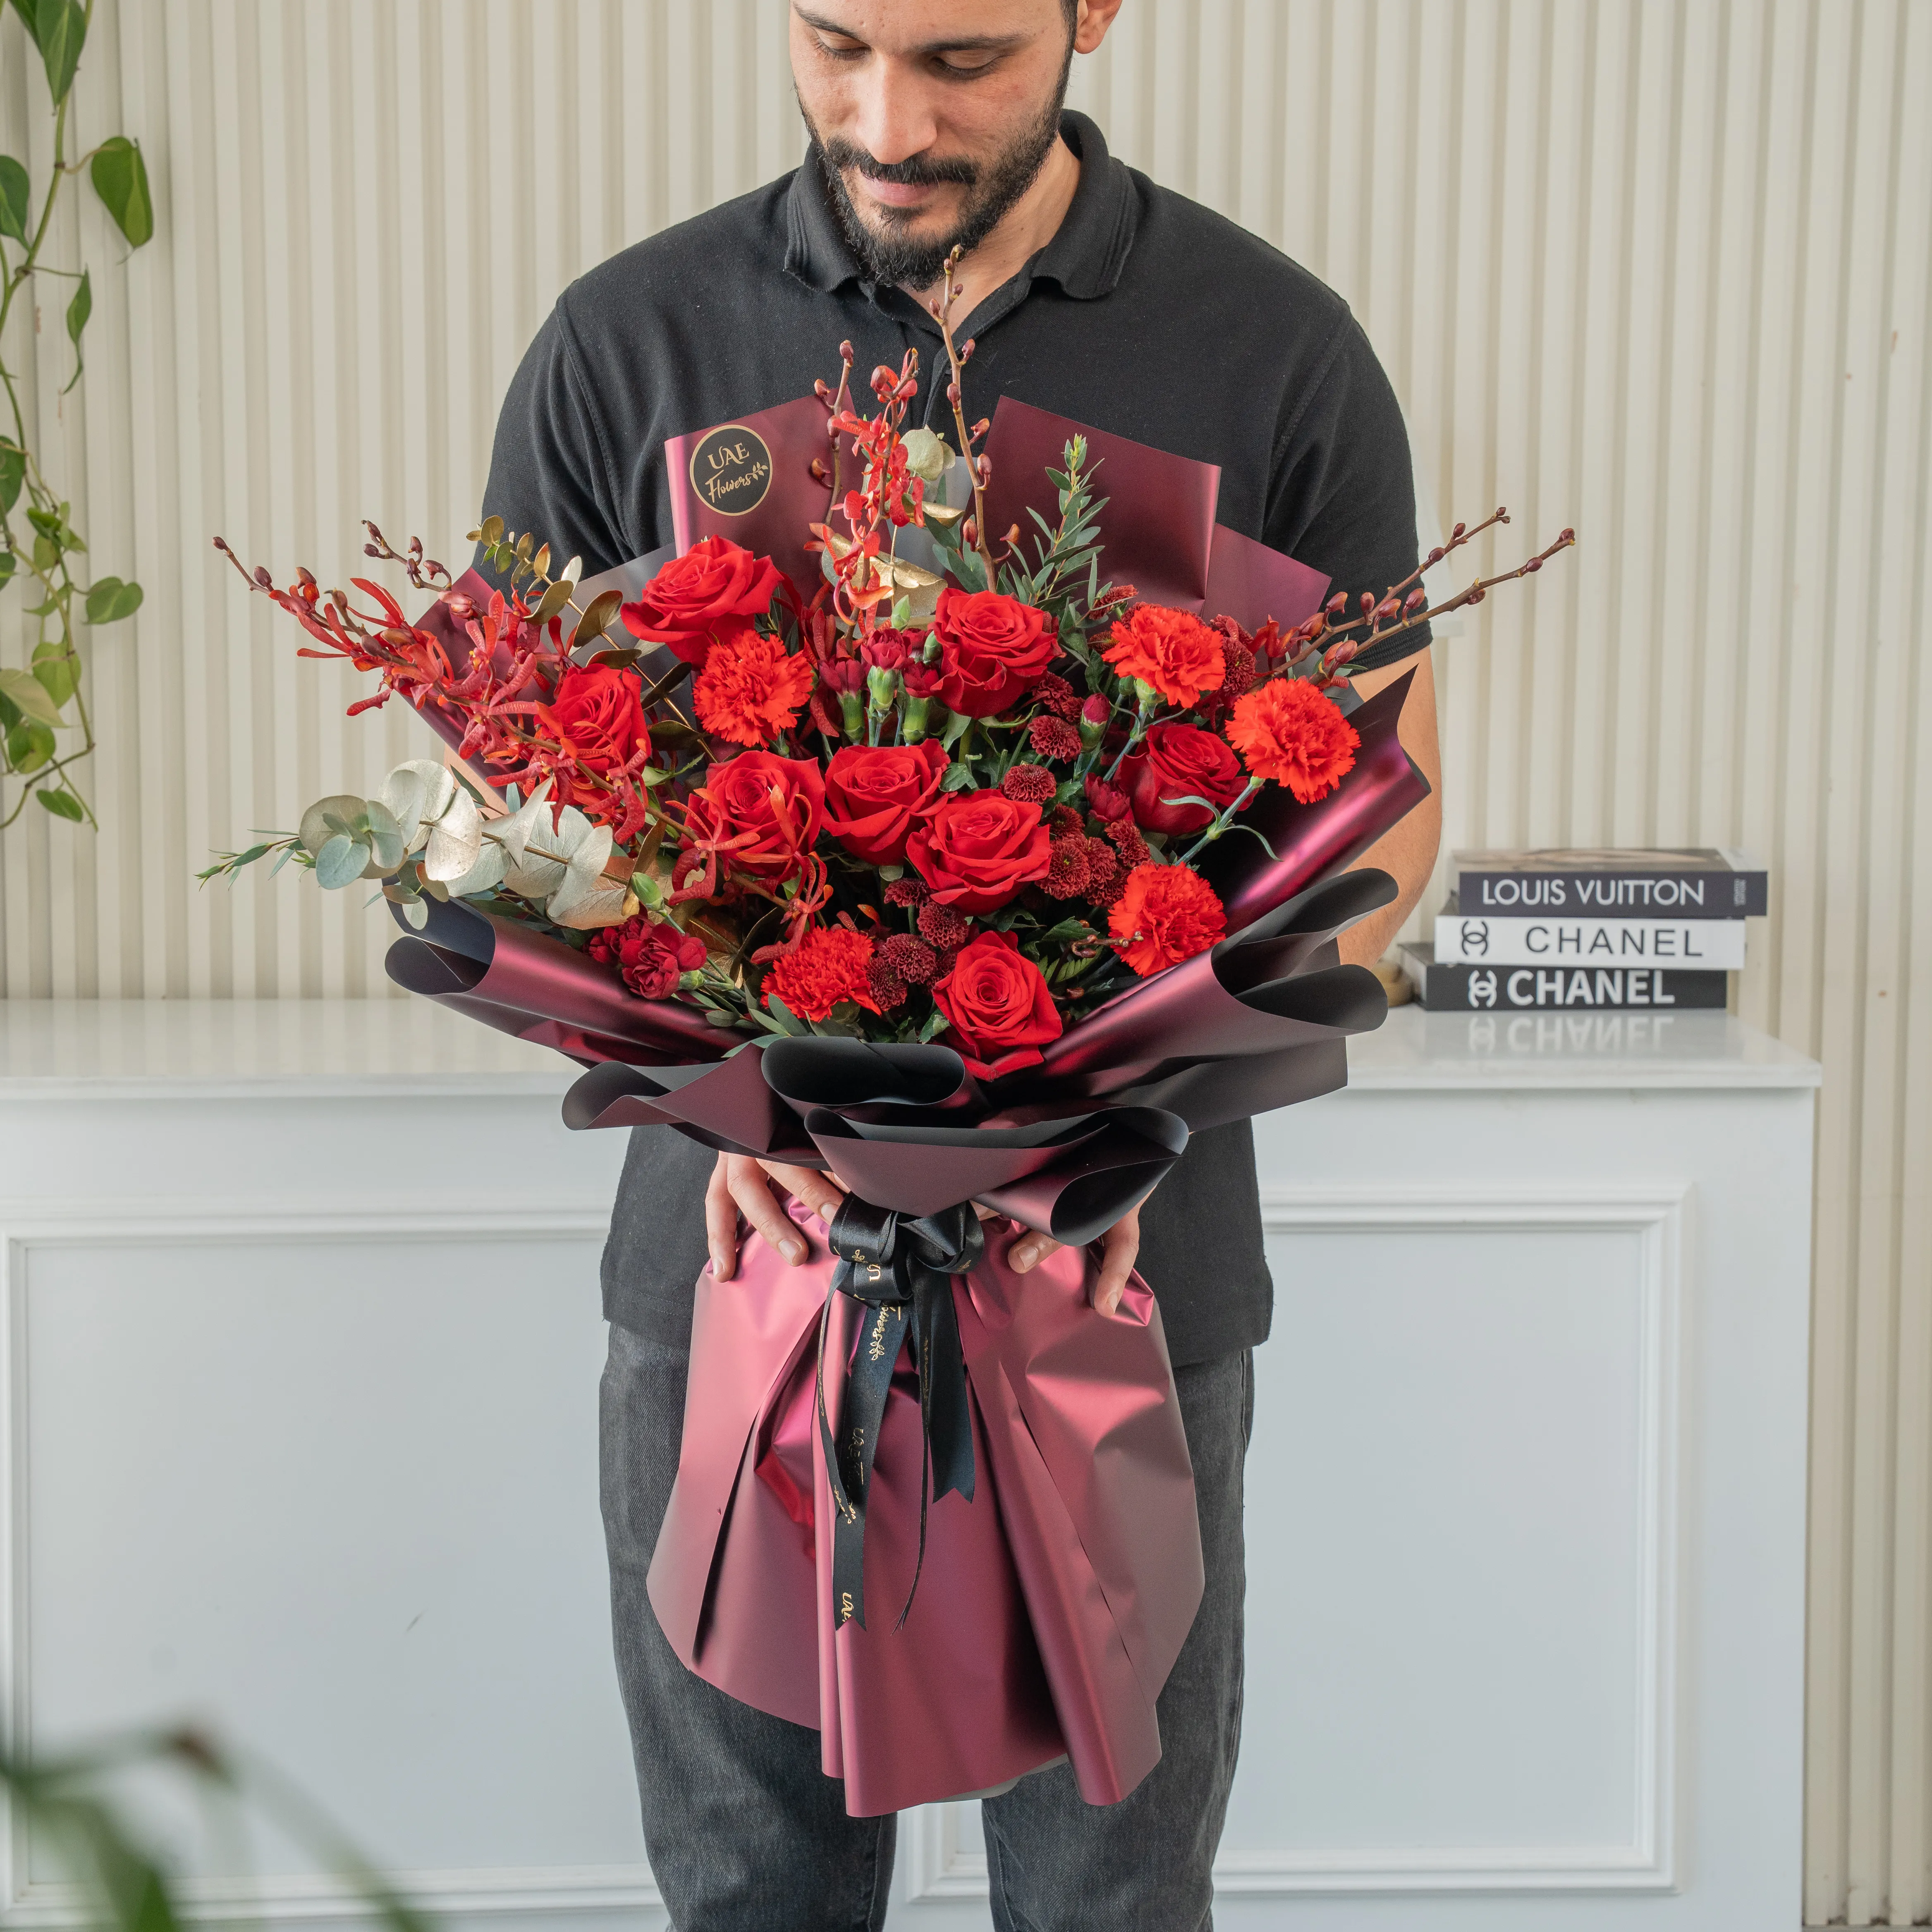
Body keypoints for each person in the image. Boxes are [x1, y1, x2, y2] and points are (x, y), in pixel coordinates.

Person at [479, 3, 1443, 1924]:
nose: (887, 118)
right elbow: (514, 807)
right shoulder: (627, 341)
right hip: (733, 1268)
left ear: (1096, 11)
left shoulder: (1274, 351)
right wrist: (703, 1086)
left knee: (1111, 1890)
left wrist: (1110, 1129)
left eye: (968, 58)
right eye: (835, 43)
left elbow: (1380, 817)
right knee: (754, 1890)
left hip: (1123, 1286)